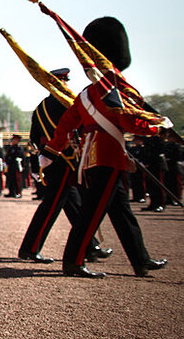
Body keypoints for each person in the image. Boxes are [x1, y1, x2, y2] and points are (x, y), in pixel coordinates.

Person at [44, 17, 170, 278]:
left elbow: (66, 125)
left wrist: (51, 151)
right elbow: (127, 120)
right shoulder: (112, 91)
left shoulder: (87, 93)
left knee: (122, 211)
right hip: (108, 156)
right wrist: (158, 126)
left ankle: (140, 259)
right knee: (91, 212)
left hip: (91, 157)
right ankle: (73, 261)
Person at [17, 68, 109, 264]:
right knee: (51, 205)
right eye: (63, 81)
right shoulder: (66, 103)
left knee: (73, 204)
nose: (65, 84)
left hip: (50, 159)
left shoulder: (41, 107)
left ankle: (89, 246)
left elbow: (34, 137)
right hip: (64, 158)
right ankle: (30, 248)